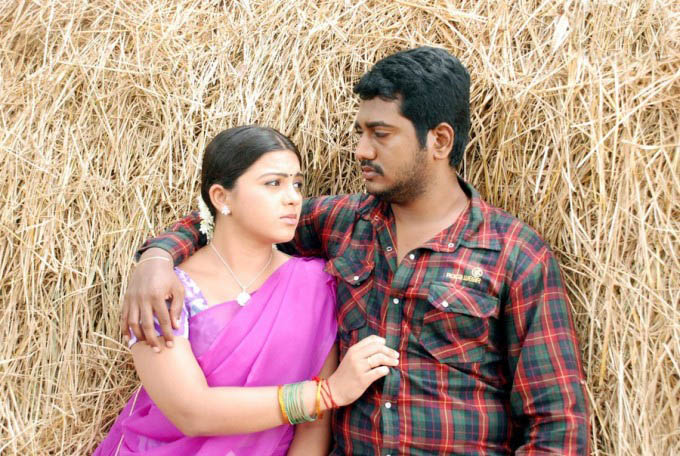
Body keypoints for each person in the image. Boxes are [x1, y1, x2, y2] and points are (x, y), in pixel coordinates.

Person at [123, 47, 590, 454]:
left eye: (380, 134)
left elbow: (557, 421)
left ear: (439, 141)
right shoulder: (342, 224)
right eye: (360, 132)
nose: (362, 150)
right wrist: (158, 257)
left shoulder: (513, 253)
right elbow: (233, 219)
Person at [96, 126, 399, 456]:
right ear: (221, 198)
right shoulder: (164, 290)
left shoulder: (316, 284)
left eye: (297, 184)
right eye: (273, 183)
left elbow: (313, 427)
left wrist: (324, 398)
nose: (293, 197)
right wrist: (327, 393)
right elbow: (192, 413)